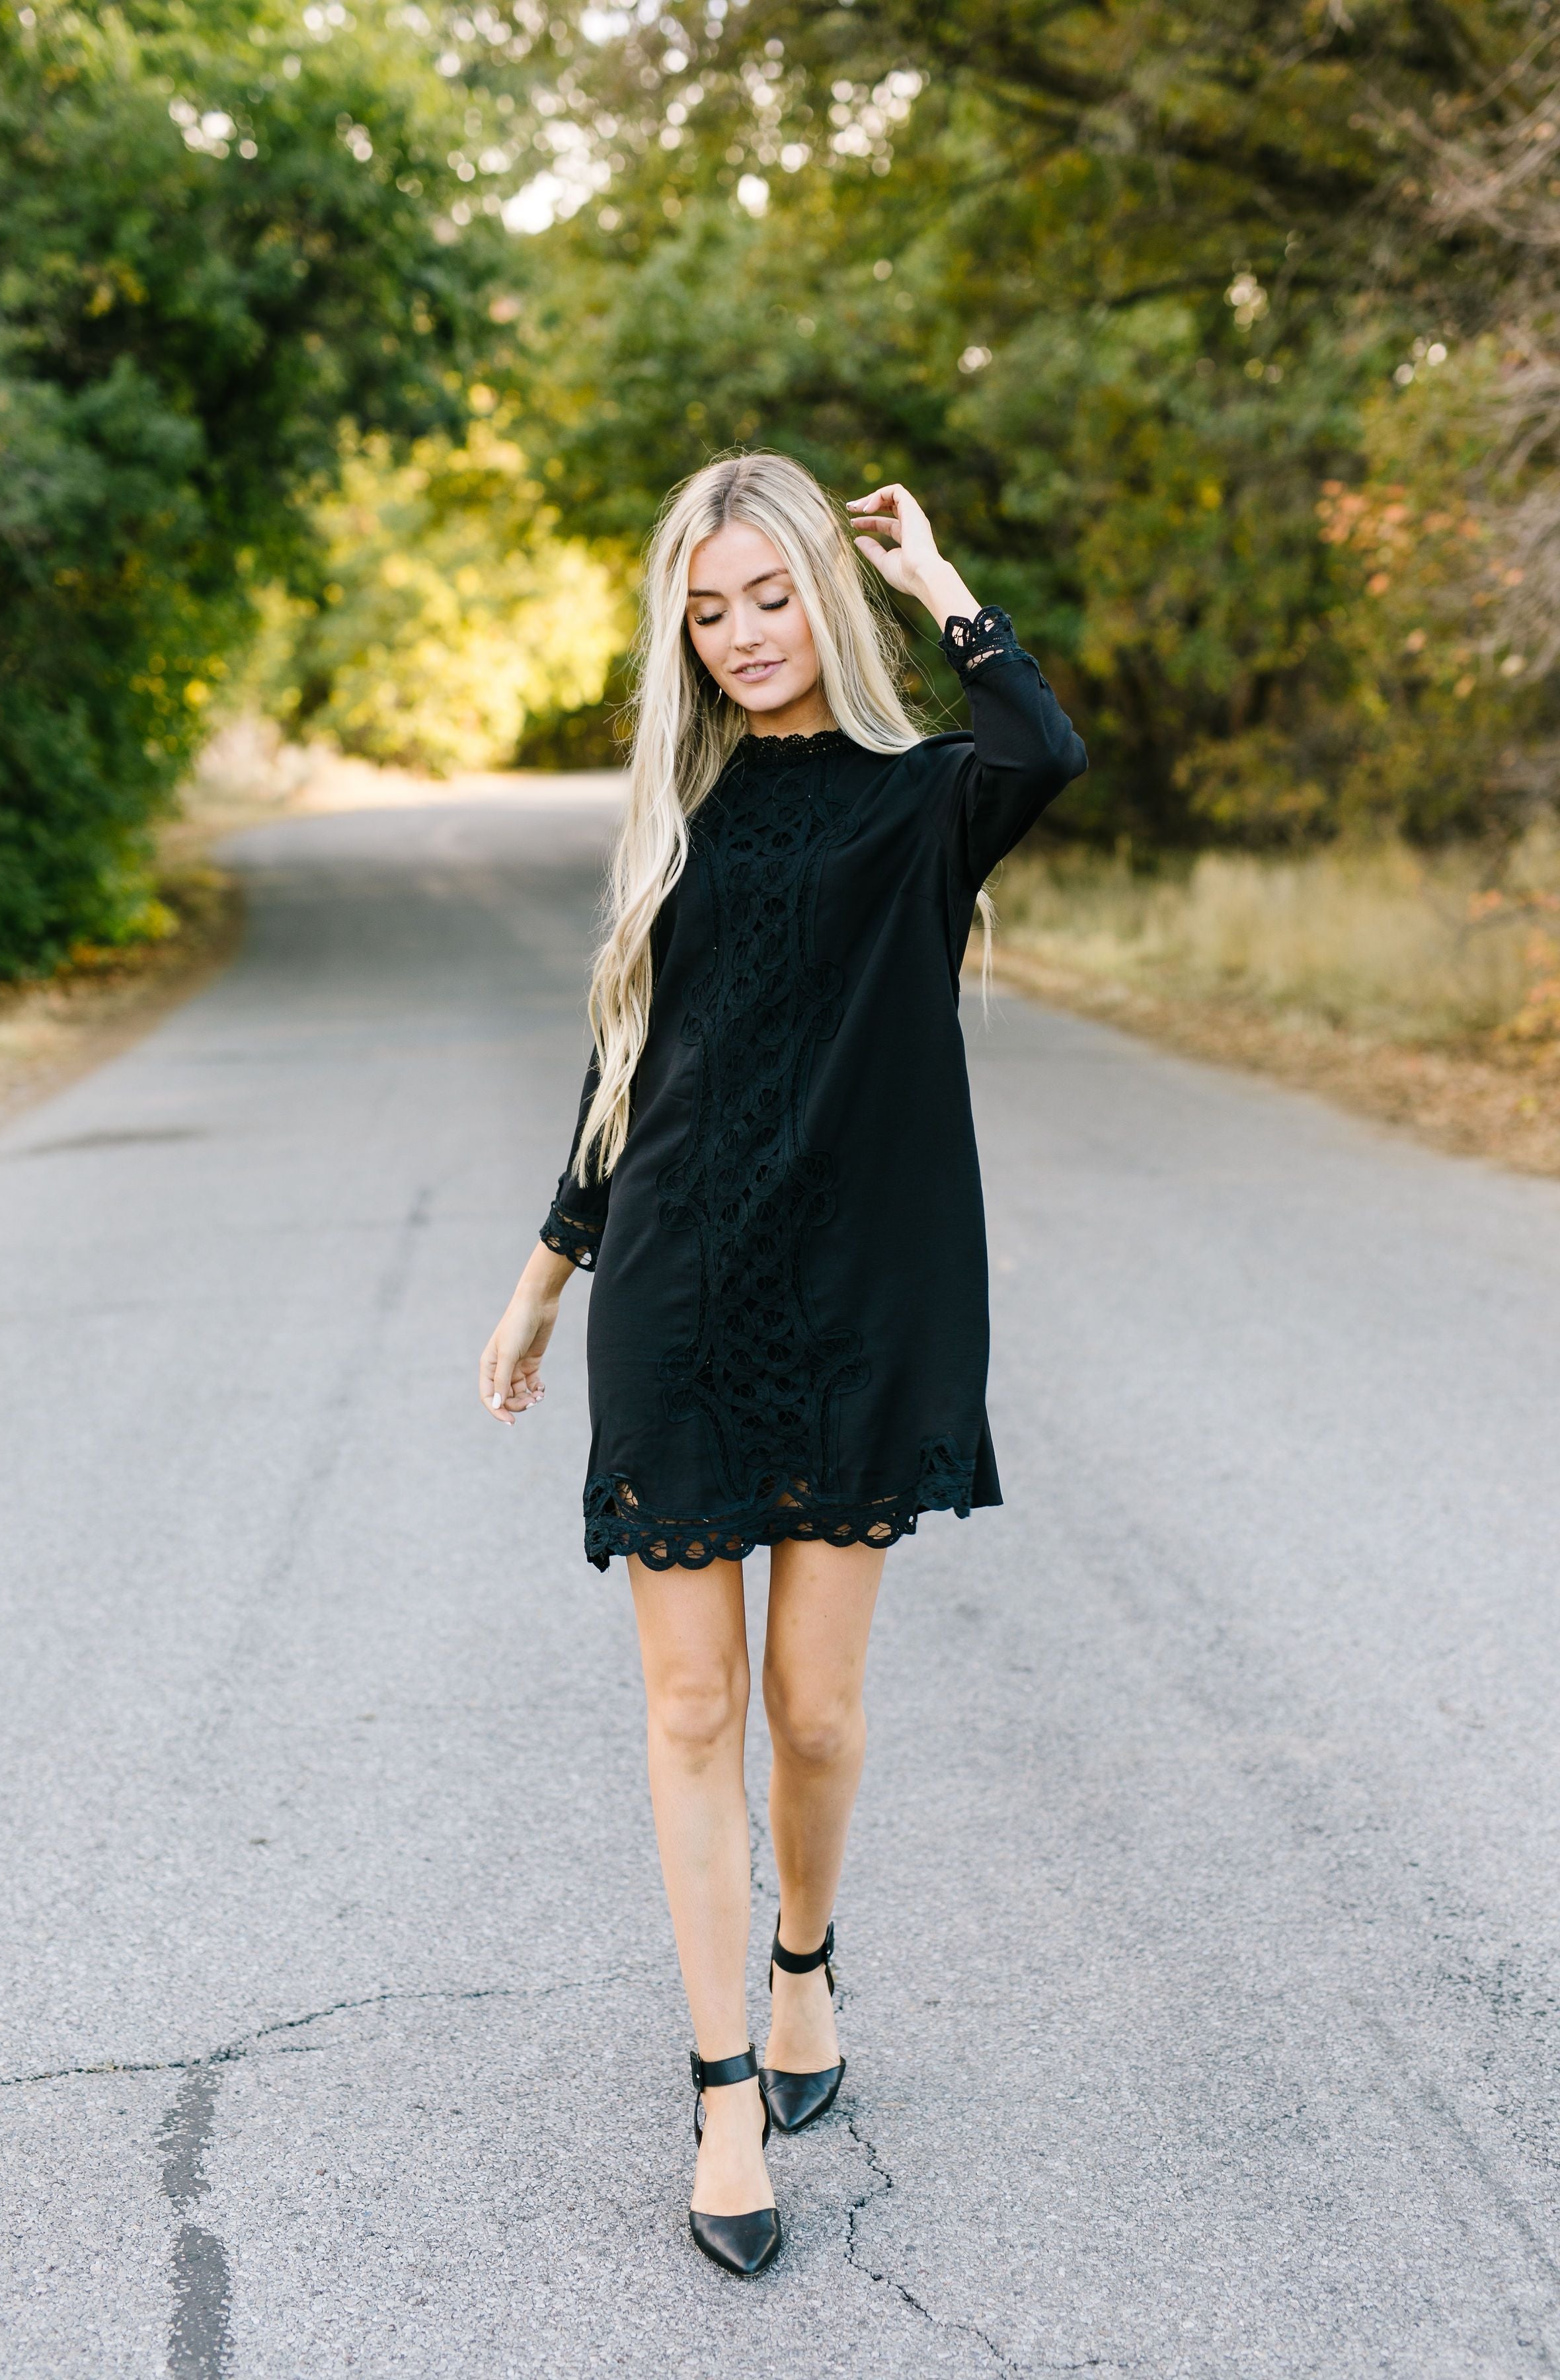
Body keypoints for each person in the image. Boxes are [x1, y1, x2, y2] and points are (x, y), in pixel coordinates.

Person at [479, 451, 1086, 2276]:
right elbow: (630, 1073)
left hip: (866, 1301)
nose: (745, 635)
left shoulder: (924, 804)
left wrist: (939, 582)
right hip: (677, 1291)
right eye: (711, 606)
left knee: (813, 1713)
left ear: (826, 589)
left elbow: (1042, 748)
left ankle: (805, 1968)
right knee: (689, 1711)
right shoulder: (677, 816)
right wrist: (545, 1274)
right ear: (683, 626)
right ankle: (724, 2087)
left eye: (773, 595)